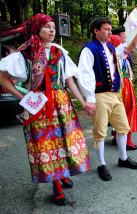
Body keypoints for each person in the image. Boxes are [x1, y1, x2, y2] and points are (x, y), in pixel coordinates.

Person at [0, 14, 90, 206]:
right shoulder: (24, 55)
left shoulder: (59, 52)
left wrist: (83, 102)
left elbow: (68, 80)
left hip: (61, 103)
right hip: (39, 106)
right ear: (36, 29)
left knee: (66, 141)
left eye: (53, 27)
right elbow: (2, 78)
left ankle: (63, 174)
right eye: (47, 27)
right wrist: (23, 97)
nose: (52, 30)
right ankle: (57, 185)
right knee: (47, 146)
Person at [77, 16, 137, 182]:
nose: (109, 32)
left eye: (110, 30)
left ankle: (123, 158)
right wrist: (89, 98)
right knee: (100, 132)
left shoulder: (112, 49)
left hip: (114, 95)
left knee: (123, 127)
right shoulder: (89, 49)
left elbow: (132, 46)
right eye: (106, 29)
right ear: (96, 31)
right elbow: (85, 75)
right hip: (99, 96)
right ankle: (101, 164)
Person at [110, 21, 137, 150]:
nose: (125, 39)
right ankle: (127, 141)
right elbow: (134, 44)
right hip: (124, 84)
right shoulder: (119, 50)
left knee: (120, 111)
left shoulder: (109, 50)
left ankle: (116, 137)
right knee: (129, 110)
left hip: (117, 84)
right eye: (123, 37)